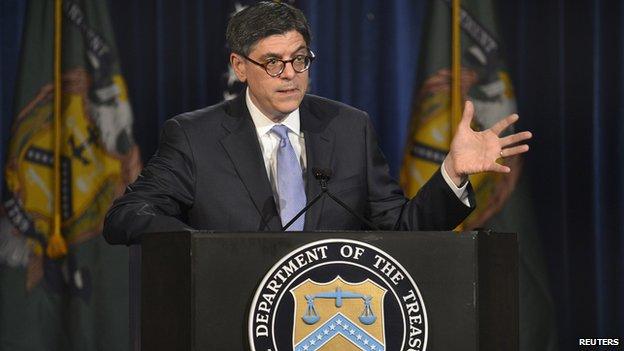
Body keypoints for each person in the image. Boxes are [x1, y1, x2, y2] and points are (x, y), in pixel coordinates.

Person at [103, 1, 531, 245]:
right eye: (273, 62)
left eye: (300, 59)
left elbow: (403, 231)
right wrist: (202, 248)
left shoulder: (349, 128)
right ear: (239, 66)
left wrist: (452, 173)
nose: (290, 74)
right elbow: (126, 217)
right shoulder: (194, 136)